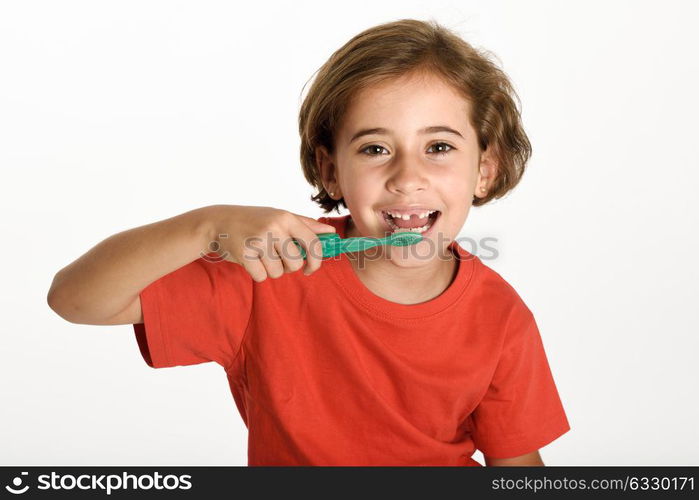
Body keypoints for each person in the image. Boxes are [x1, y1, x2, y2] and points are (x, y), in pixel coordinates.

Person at [47, 18, 569, 466]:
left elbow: (517, 463)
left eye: (438, 146)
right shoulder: (270, 275)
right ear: (331, 171)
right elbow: (74, 299)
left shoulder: (502, 317)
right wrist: (207, 226)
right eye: (374, 148)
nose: (407, 177)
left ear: (485, 169)